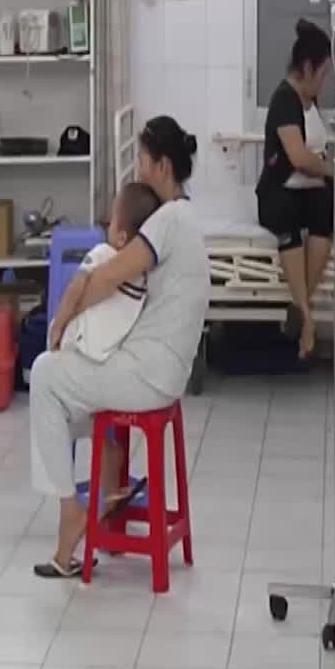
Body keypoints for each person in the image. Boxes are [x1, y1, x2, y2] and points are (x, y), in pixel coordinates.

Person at [29, 115, 209, 579]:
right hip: (163, 371)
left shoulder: (166, 220)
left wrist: (63, 317)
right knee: (65, 398)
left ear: (163, 166)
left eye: (143, 162)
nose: (139, 172)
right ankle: (106, 485)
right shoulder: (187, 218)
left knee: (45, 375)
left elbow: (108, 276)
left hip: (147, 374)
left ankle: (71, 513)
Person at [255, 19, 335, 359]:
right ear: (307, 68)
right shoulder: (285, 99)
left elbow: (317, 154)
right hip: (277, 193)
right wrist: (333, 171)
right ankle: (307, 318)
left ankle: (300, 307)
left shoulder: (309, 102)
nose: (324, 82)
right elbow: (299, 157)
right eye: (323, 74)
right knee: (286, 211)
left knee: (325, 206)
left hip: (304, 188)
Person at [58, 181, 161, 363]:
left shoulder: (104, 253)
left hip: (80, 344)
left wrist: (58, 325)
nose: (107, 225)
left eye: (112, 221)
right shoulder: (144, 274)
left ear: (121, 237)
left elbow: (75, 286)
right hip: (110, 353)